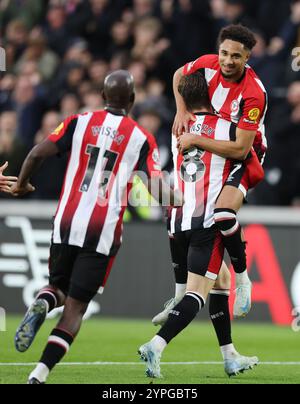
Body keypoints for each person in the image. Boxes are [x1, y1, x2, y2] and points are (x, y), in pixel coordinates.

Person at [12, 70, 182, 385]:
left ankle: (45, 300)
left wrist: (22, 184)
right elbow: (157, 189)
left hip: (66, 221)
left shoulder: (77, 123)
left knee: (58, 287)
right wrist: (183, 198)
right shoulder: (140, 137)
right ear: (132, 100)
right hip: (102, 230)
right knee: (76, 307)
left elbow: (36, 153)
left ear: (103, 97)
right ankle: (38, 374)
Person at [139, 70, 258, 380]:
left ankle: (230, 355)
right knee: (197, 294)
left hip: (178, 220)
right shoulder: (226, 128)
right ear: (213, 96)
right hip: (206, 222)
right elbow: (247, 156)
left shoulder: (177, 128)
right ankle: (157, 344)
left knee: (221, 282)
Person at [154, 24, 267, 323]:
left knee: (223, 214)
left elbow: (241, 149)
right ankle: (185, 293)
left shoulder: (254, 94)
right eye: (224, 53)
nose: (228, 61)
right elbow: (179, 75)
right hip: (214, 145)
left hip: (246, 155)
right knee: (185, 215)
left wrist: (195, 139)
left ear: (247, 58)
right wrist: (180, 110)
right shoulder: (207, 63)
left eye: (236, 57)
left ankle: (243, 280)